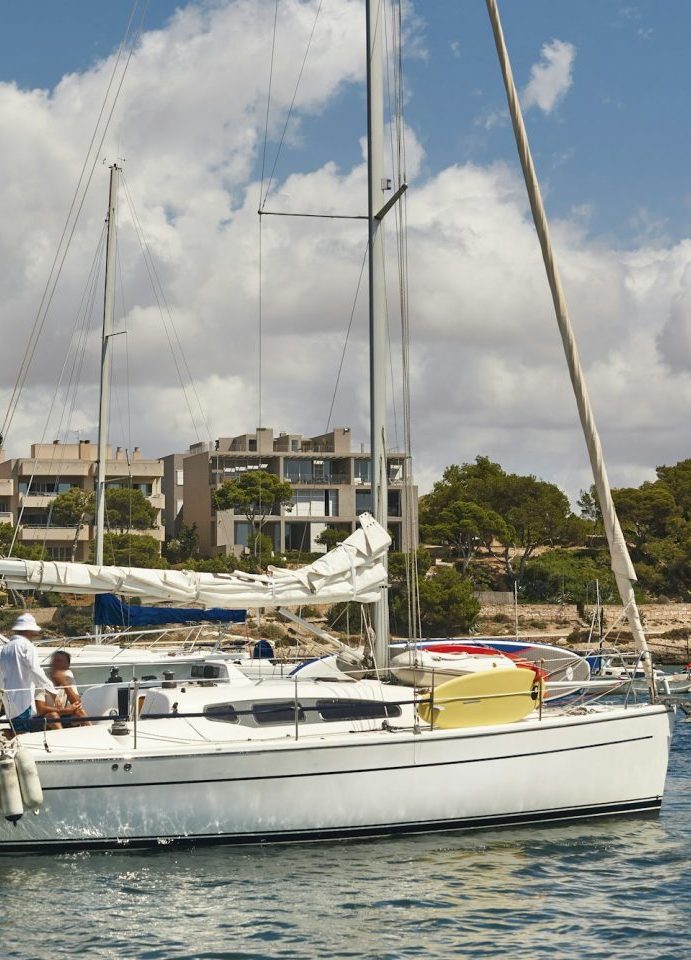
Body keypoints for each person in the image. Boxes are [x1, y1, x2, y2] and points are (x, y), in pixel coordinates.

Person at [0, 613, 57, 735]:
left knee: (16, 730)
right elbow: (35, 670)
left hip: (9, 698)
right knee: (22, 733)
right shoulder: (27, 646)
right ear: (28, 629)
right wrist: (51, 690)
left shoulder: (6, 648)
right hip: (22, 698)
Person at [35, 651, 89, 727]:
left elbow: (77, 702)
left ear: (67, 665)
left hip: (64, 715)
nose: (55, 663)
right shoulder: (43, 679)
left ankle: (93, 735)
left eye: (59, 661)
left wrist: (64, 683)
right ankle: (62, 737)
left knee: (81, 712)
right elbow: (40, 709)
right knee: (54, 716)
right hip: (45, 718)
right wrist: (63, 711)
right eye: (54, 661)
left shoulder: (68, 677)